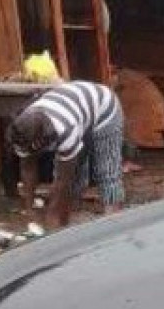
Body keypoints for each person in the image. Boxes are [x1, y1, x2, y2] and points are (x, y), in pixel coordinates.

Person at [8, 80, 126, 227]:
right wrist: (29, 209)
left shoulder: (65, 129)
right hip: (77, 108)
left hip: (104, 108)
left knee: (106, 169)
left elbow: (63, 179)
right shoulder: (21, 132)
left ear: (43, 138)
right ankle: (69, 221)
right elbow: (27, 168)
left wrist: (52, 214)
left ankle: (114, 222)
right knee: (76, 172)